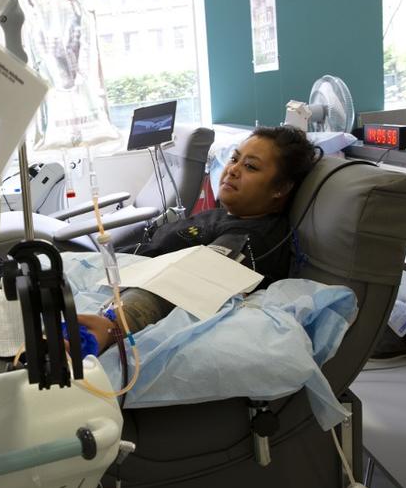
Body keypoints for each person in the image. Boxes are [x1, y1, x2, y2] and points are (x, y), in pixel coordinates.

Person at [78, 124, 323, 353]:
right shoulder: (228, 214)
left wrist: (112, 326)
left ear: (281, 188)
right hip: (113, 276)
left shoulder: (249, 237)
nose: (233, 169)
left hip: (115, 310)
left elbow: (186, 284)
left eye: (251, 166)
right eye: (235, 158)